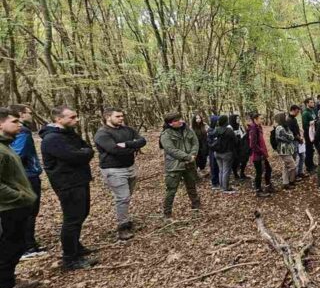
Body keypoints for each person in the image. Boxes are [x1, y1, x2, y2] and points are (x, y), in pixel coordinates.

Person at [40, 106, 97, 270]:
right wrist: (83, 154)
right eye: (72, 117)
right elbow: (74, 156)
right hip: (67, 183)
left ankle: (76, 247)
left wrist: (83, 153)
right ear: (58, 119)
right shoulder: (52, 139)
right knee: (72, 219)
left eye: (76, 116)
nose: (76, 120)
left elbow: (87, 149)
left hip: (80, 180)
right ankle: (69, 259)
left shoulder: (69, 133)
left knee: (82, 214)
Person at [0, 108, 38, 288]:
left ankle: (10, 282)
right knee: (8, 248)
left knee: (17, 246)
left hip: (16, 207)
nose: (20, 124)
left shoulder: (6, 146)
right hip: (8, 208)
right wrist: (20, 196)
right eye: (15, 121)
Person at [94, 108, 147, 241]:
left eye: (122, 116)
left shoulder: (127, 130)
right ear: (108, 117)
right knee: (122, 197)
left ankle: (125, 219)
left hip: (130, 167)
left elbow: (142, 141)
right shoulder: (102, 133)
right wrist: (133, 147)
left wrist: (128, 144)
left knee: (127, 196)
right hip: (113, 169)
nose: (121, 118)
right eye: (117, 116)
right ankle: (122, 227)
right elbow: (114, 150)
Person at [8, 104, 45, 259]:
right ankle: (28, 246)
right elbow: (17, 154)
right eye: (29, 113)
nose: (32, 115)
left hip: (23, 176)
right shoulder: (22, 131)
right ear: (21, 115)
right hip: (27, 176)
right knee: (30, 211)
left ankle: (29, 244)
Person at [160, 112, 201, 216]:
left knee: (192, 186)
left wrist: (193, 154)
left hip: (190, 164)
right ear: (170, 123)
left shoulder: (188, 130)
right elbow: (171, 150)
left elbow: (195, 143)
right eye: (177, 120)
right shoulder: (166, 134)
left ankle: (196, 205)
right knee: (171, 190)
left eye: (180, 119)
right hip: (174, 166)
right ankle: (167, 212)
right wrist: (187, 157)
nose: (181, 121)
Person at [248, 112, 273, 197]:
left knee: (268, 169)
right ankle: (258, 190)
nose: (262, 120)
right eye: (260, 119)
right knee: (259, 172)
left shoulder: (258, 127)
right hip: (257, 155)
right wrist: (261, 151)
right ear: (255, 120)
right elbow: (253, 144)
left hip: (261, 154)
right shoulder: (253, 129)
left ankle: (268, 185)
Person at [273, 112, 297, 189]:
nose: (287, 117)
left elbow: (291, 136)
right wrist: (290, 136)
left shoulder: (285, 126)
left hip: (287, 149)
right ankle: (291, 181)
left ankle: (285, 183)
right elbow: (288, 137)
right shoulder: (279, 128)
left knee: (286, 166)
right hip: (283, 150)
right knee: (292, 165)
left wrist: (290, 136)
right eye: (285, 116)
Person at [287, 105, 306, 179]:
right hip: (293, 142)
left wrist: (300, 135)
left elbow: (296, 130)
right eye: (297, 111)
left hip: (298, 141)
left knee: (302, 156)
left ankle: (300, 172)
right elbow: (292, 133)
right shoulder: (289, 120)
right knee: (294, 159)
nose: (298, 113)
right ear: (293, 110)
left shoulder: (294, 119)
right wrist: (299, 138)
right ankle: (293, 176)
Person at [230, 114, 250, 181]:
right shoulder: (230, 127)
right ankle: (236, 174)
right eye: (237, 118)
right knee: (235, 162)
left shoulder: (239, 126)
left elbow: (242, 135)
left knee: (244, 160)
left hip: (241, 146)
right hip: (234, 148)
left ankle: (242, 173)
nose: (238, 120)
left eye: (239, 118)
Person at [302, 98, 316, 174]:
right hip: (308, 134)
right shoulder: (305, 113)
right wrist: (311, 127)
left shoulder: (312, 111)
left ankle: (312, 164)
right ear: (307, 103)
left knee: (312, 149)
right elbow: (305, 126)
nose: (313, 103)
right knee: (309, 150)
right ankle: (308, 166)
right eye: (311, 102)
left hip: (313, 133)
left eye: (313, 102)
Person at [206, 115, 220, 189]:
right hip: (212, 151)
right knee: (213, 166)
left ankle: (219, 181)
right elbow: (209, 143)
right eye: (217, 121)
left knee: (218, 166)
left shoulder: (218, 129)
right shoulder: (210, 130)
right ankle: (214, 183)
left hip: (219, 151)